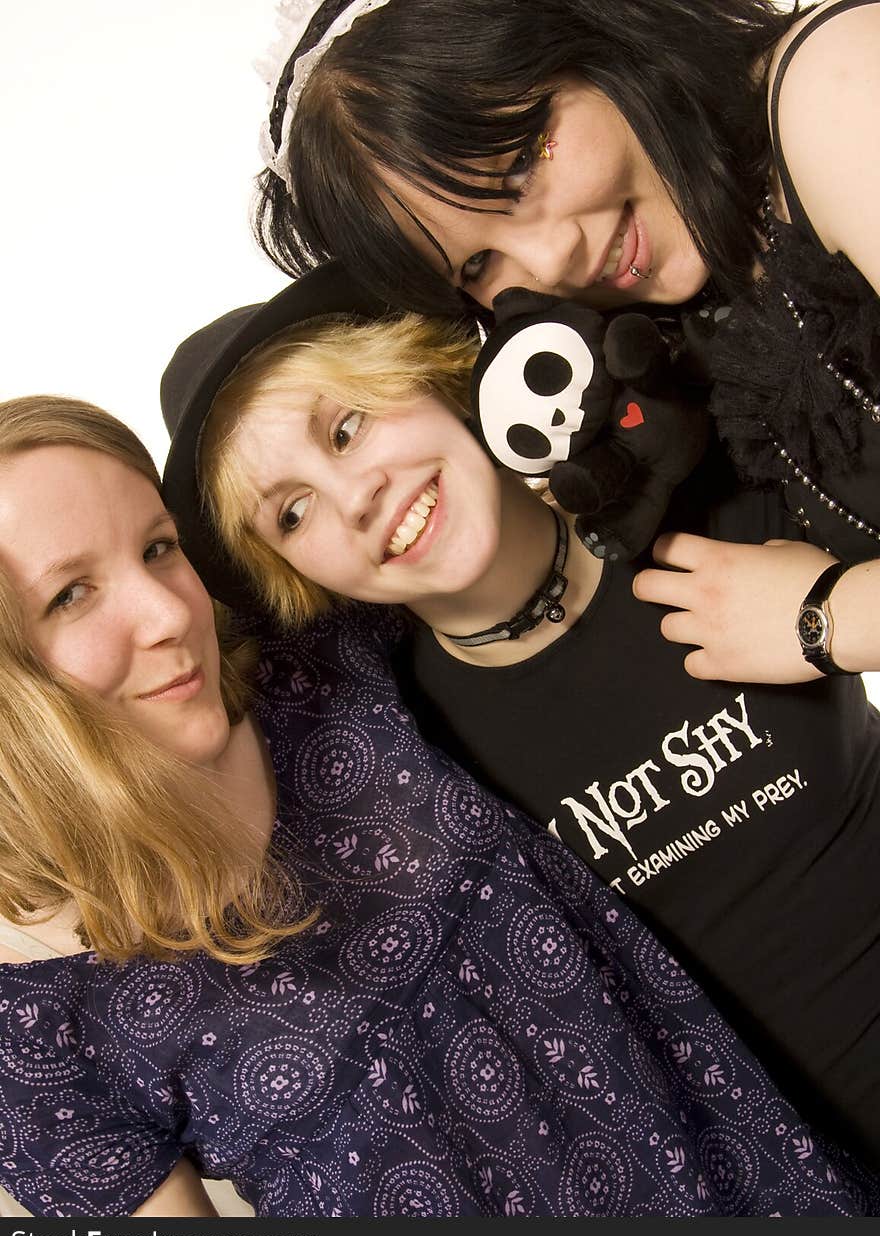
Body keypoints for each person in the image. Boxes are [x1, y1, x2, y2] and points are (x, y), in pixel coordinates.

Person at [3, 385, 865, 1218]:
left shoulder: (328, 670)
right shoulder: (35, 1026)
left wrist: (825, 611)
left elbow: (489, 507)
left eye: (158, 547)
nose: (164, 612)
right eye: (70, 594)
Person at [163, 263, 880, 1177]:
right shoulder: (402, 760)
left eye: (347, 427)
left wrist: (827, 612)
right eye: (292, 513)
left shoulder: (705, 479)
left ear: (427, 373)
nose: (354, 499)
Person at [251, 0, 880, 685]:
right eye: (477, 266)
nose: (550, 262)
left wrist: (822, 618)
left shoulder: (838, 87)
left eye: (520, 167)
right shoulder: (683, 316)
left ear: (586, 33)